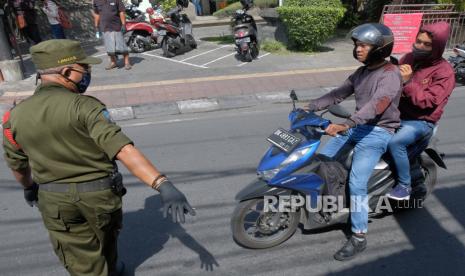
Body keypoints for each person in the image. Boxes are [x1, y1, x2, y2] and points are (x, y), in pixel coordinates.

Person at [2, 39, 195, 275]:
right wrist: (162, 183)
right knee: (107, 239)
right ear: (66, 72)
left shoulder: (14, 116)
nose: (88, 73)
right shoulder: (86, 107)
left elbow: (17, 164)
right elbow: (122, 149)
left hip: (55, 200)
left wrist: (28, 187)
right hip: (99, 196)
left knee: (80, 257)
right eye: (84, 68)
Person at [304, 23, 402, 261]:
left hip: (379, 130)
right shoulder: (361, 73)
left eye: (364, 46)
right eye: (357, 45)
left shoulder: (390, 75)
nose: (358, 49)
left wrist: (348, 123)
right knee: (324, 159)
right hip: (357, 126)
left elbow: (377, 104)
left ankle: (359, 235)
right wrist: (310, 106)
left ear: (380, 48)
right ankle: (332, 201)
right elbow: (338, 94)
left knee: (357, 182)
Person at [386, 21, 455, 201]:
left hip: (421, 121)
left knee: (396, 143)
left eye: (427, 44)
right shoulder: (408, 58)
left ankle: (404, 185)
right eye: (418, 42)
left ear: (437, 47)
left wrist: (408, 82)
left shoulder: (444, 72)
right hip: (396, 113)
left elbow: (429, 102)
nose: (420, 46)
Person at [92, 0, 132, 70]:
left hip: (116, 26)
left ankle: (127, 62)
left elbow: (121, 12)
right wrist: (96, 26)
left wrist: (123, 24)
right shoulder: (96, 1)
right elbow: (97, 14)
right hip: (105, 27)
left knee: (122, 46)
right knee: (109, 47)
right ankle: (113, 62)